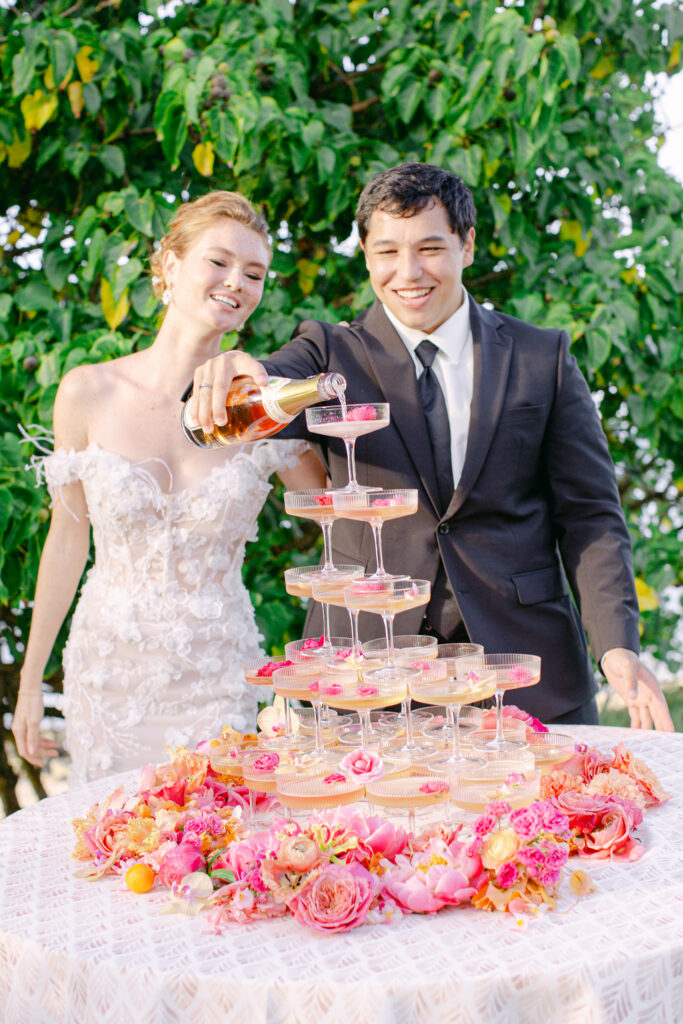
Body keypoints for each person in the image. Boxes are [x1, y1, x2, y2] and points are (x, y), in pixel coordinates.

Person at [186, 163, 673, 731]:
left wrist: (615, 645)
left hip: (525, 673)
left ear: (467, 245)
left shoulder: (543, 357)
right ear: (366, 253)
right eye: (387, 252)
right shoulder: (327, 351)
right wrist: (241, 372)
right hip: (368, 678)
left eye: (430, 248)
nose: (408, 272)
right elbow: (264, 389)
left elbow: (590, 515)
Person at [12, 191, 326, 784]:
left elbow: (331, 511)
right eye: (220, 262)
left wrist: (279, 396)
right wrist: (31, 682)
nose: (237, 282)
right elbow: (66, 541)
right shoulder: (87, 392)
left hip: (217, 675)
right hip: (108, 675)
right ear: (170, 266)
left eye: (254, 273)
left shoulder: (262, 408)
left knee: (212, 853)